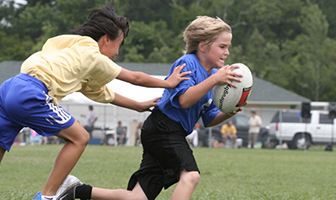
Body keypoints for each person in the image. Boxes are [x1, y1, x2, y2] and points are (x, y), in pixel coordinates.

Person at [0, 1, 191, 200]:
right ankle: (47, 196)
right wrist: (169, 83)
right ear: (106, 39)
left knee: (1, 143)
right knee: (80, 138)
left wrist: (139, 106)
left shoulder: (73, 49)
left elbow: (106, 95)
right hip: (31, 92)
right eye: (119, 44)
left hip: (9, 87)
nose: (117, 53)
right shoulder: (92, 55)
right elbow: (134, 77)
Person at [60, 15, 245, 200]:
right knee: (190, 176)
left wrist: (228, 112)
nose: (227, 52)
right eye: (222, 46)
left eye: (228, 47)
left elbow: (209, 119)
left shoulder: (213, 76)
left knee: (137, 198)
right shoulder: (187, 63)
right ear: (203, 46)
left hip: (166, 132)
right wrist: (215, 80)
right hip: (163, 127)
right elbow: (184, 101)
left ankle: (76, 189)